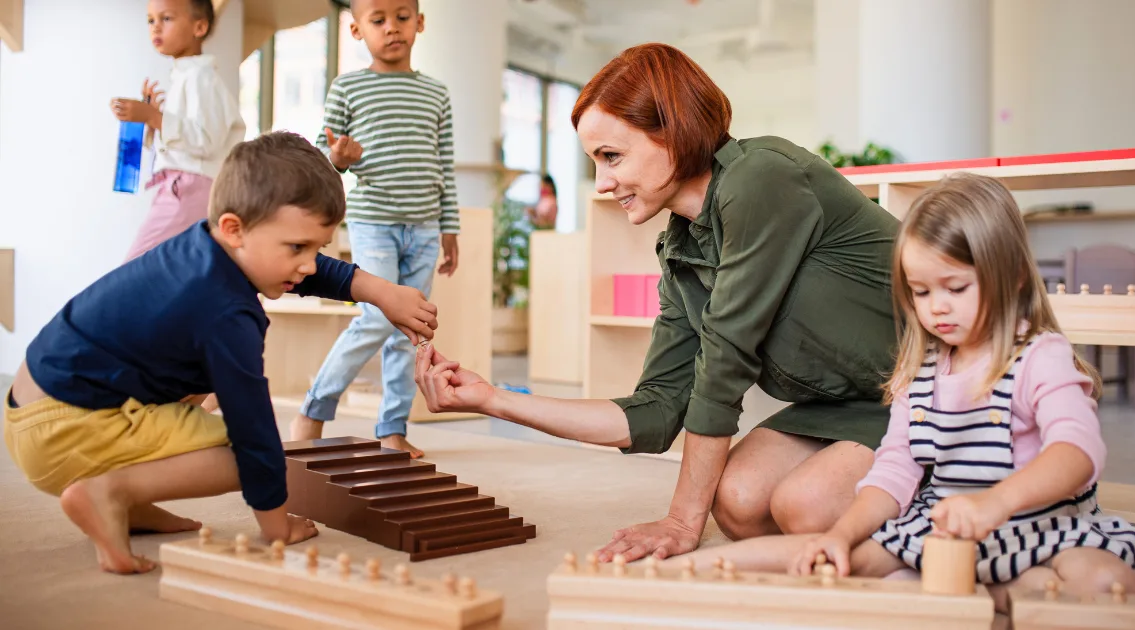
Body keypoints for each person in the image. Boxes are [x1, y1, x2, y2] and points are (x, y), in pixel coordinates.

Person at [416, 43, 900, 562]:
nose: (602, 184)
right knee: (736, 502)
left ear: (673, 130)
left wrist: (680, 521)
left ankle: (979, 486)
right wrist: (495, 400)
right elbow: (656, 410)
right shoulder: (680, 248)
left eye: (612, 157)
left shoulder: (761, 178)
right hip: (847, 406)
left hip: (932, 392)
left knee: (805, 507)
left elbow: (724, 366)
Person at [673, 174, 1135, 611]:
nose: (936, 307)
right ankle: (690, 572)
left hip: (1045, 528)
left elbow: (1077, 452)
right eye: (920, 292)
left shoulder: (1041, 356)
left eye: (955, 287)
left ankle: (986, 590)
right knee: (836, 562)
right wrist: (842, 533)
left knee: (1106, 585)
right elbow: (896, 469)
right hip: (944, 532)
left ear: (1014, 276)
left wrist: (995, 503)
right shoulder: (921, 370)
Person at [2, 132, 439, 575]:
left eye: (317, 248)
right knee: (248, 453)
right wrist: (276, 527)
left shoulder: (204, 247)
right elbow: (254, 429)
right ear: (234, 228)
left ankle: (129, 502)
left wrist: (380, 291)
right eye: (297, 248)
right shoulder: (227, 312)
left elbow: (301, 270)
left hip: (36, 410)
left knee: (201, 381)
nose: (309, 264)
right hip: (64, 431)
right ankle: (108, 491)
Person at [290, 0, 459, 460]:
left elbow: (445, 164)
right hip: (372, 221)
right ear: (356, 30)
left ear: (420, 23)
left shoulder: (437, 94)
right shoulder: (346, 88)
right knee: (379, 315)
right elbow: (319, 165)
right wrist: (338, 161)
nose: (392, 29)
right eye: (378, 20)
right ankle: (315, 409)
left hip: (425, 226)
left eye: (402, 17)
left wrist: (450, 228)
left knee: (412, 326)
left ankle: (392, 429)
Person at [111, 0, 245, 263]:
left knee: (138, 266)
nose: (156, 28)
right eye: (151, 20)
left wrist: (154, 116)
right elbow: (182, 144)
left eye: (167, 19)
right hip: (185, 185)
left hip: (191, 186)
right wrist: (152, 120)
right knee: (181, 269)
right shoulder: (185, 77)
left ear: (199, 26)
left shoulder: (201, 78)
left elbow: (206, 140)